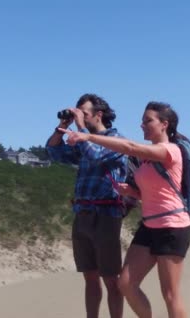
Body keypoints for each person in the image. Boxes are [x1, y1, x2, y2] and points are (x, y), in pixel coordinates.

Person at [60, 101, 190, 318]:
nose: (142, 125)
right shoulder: (147, 160)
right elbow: (152, 193)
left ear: (164, 124)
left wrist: (87, 135)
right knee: (126, 283)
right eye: (142, 121)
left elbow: (129, 147)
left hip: (172, 227)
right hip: (149, 226)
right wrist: (132, 192)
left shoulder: (170, 151)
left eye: (148, 120)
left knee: (170, 295)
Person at [46, 93, 128, 318]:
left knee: (111, 278)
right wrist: (62, 127)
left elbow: (96, 155)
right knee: (89, 277)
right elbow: (53, 151)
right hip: (82, 214)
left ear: (98, 115)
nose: (79, 116)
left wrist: (80, 129)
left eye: (84, 113)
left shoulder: (115, 139)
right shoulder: (82, 140)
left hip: (106, 215)